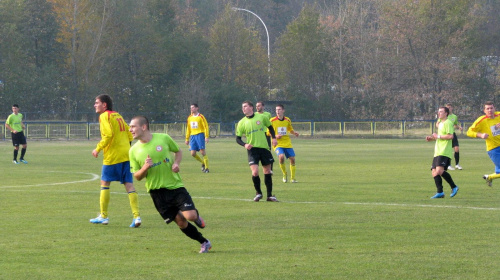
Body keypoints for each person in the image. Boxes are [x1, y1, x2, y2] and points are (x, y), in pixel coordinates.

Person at [128, 116, 212, 253]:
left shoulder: (163, 138)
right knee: (181, 222)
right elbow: (137, 176)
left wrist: (176, 163)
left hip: (175, 186)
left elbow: (178, 151)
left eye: (133, 126)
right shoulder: (133, 150)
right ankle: (204, 242)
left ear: (143, 127)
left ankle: (196, 216)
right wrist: (145, 168)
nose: (130, 129)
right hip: (157, 193)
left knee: (190, 216)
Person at [90, 94, 141, 227]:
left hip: (113, 156)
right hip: (126, 155)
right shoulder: (117, 115)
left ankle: (104, 216)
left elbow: (108, 135)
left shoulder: (104, 116)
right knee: (129, 184)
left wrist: (98, 148)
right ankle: (137, 217)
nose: (95, 105)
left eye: (97, 103)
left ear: (104, 104)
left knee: (105, 183)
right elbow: (130, 134)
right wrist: (126, 147)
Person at [236, 101, 278, 202]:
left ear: (251, 108)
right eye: (242, 107)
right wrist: (245, 144)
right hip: (252, 150)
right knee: (255, 172)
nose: (243, 109)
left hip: (264, 148)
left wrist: (274, 138)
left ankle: (269, 195)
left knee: (267, 171)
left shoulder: (261, 117)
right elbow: (238, 138)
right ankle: (258, 193)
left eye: (245, 106)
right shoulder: (241, 122)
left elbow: (270, 127)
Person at [426, 106, 459, 199]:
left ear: (446, 113)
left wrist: (438, 136)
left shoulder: (448, 122)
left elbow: (450, 136)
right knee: (434, 172)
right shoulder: (440, 123)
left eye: (441, 112)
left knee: (439, 171)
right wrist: (431, 139)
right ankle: (440, 192)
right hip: (438, 150)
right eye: (438, 111)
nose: (439, 113)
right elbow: (439, 137)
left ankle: (454, 186)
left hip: (444, 151)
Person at [467, 101, 500, 187]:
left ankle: (489, 177)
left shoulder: (499, 115)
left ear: (494, 108)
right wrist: (480, 135)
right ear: (484, 110)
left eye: (491, 108)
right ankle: (489, 177)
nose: (490, 110)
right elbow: (469, 132)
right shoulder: (481, 120)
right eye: (487, 109)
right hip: (493, 150)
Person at [271, 104, 299, 183]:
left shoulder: (287, 120)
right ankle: (284, 174)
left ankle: (293, 178)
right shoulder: (272, 121)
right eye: (276, 110)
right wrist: (275, 136)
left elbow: (290, 129)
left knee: (293, 159)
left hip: (287, 143)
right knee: (281, 156)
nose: (277, 111)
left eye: (279, 109)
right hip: (277, 143)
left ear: (283, 110)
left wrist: (294, 133)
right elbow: (267, 132)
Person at [436, 103, 463, 170]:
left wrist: (459, 127)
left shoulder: (454, 117)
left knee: (456, 149)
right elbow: (438, 123)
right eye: (447, 107)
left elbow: (455, 125)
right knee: (448, 149)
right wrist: (441, 128)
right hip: (446, 134)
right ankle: (449, 165)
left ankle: (457, 164)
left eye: (449, 107)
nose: (448, 108)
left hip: (452, 134)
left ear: (452, 108)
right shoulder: (443, 116)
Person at [185, 103, 210, 173]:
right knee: (193, 153)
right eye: (191, 108)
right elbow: (188, 128)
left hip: (200, 135)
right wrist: (187, 139)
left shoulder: (201, 117)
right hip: (192, 136)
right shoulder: (189, 117)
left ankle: (207, 168)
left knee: (202, 152)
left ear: (197, 108)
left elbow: (206, 126)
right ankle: (203, 162)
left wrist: (206, 136)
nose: (191, 109)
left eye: (193, 107)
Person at [256, 101, 273, 172]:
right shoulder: (254, 114)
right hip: (258, 134)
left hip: (266, 134)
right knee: (256, 151)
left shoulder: (268, 114)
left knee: (268, 151)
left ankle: (270, 169)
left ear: (263, 106)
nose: (257, 107)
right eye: (256, 106)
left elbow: (270, 125)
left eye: (259, 106)